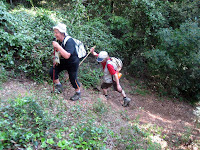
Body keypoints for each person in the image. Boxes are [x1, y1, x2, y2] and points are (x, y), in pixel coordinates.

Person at [49, 23, 81, 101]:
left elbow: (67, 55)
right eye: (55, 32)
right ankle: (58, 86)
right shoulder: (58, 40)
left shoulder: (69, 41)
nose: (55, 34)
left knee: (73, 79)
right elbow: (58, 52)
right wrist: (56, 60)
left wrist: (57, 46)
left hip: (72, 62)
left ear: (62, 33)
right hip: (63, 61)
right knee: (52, 71)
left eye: (57, 33)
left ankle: (78, 93)